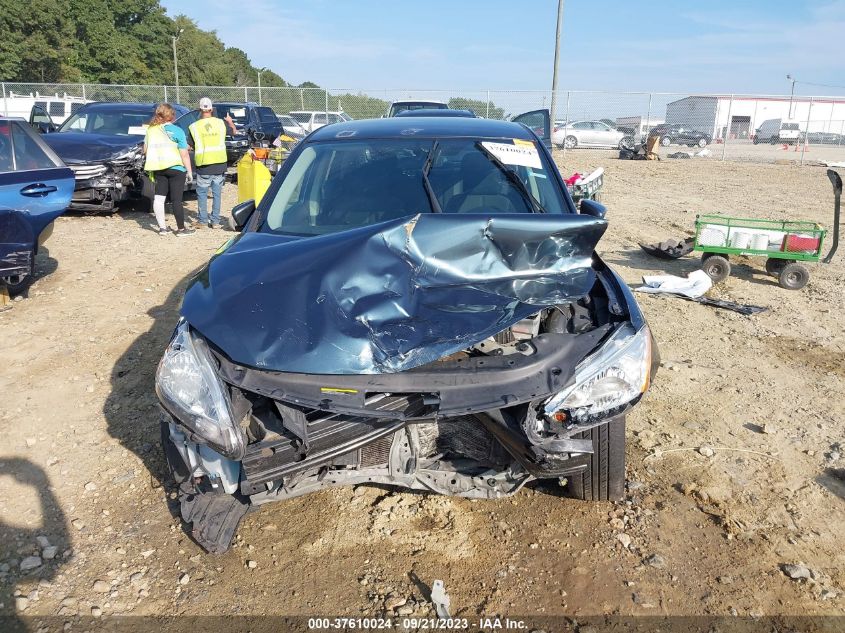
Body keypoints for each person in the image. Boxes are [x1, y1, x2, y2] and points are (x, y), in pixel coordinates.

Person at [144, 103, 194, 236]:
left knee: (159, 198)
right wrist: (189, 171)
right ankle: (181, 229)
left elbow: (145, 150)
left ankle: (162, 228)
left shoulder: (151, 130)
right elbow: (184, 154)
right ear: (172, 116)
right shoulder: (177, 131)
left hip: (158, 167)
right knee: (177, 200)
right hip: (176, 167)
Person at [189, 97, 238, 229]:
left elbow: (190, 146)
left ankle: (203, 221)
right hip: (219, 164)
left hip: (204, 165)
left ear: (200, 109)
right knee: (217, 194)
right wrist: (230, 122)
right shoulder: (221, 123)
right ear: (211, 109)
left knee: (202, 194)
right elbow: (234, 132)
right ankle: (215, 221)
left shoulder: (193, 127)